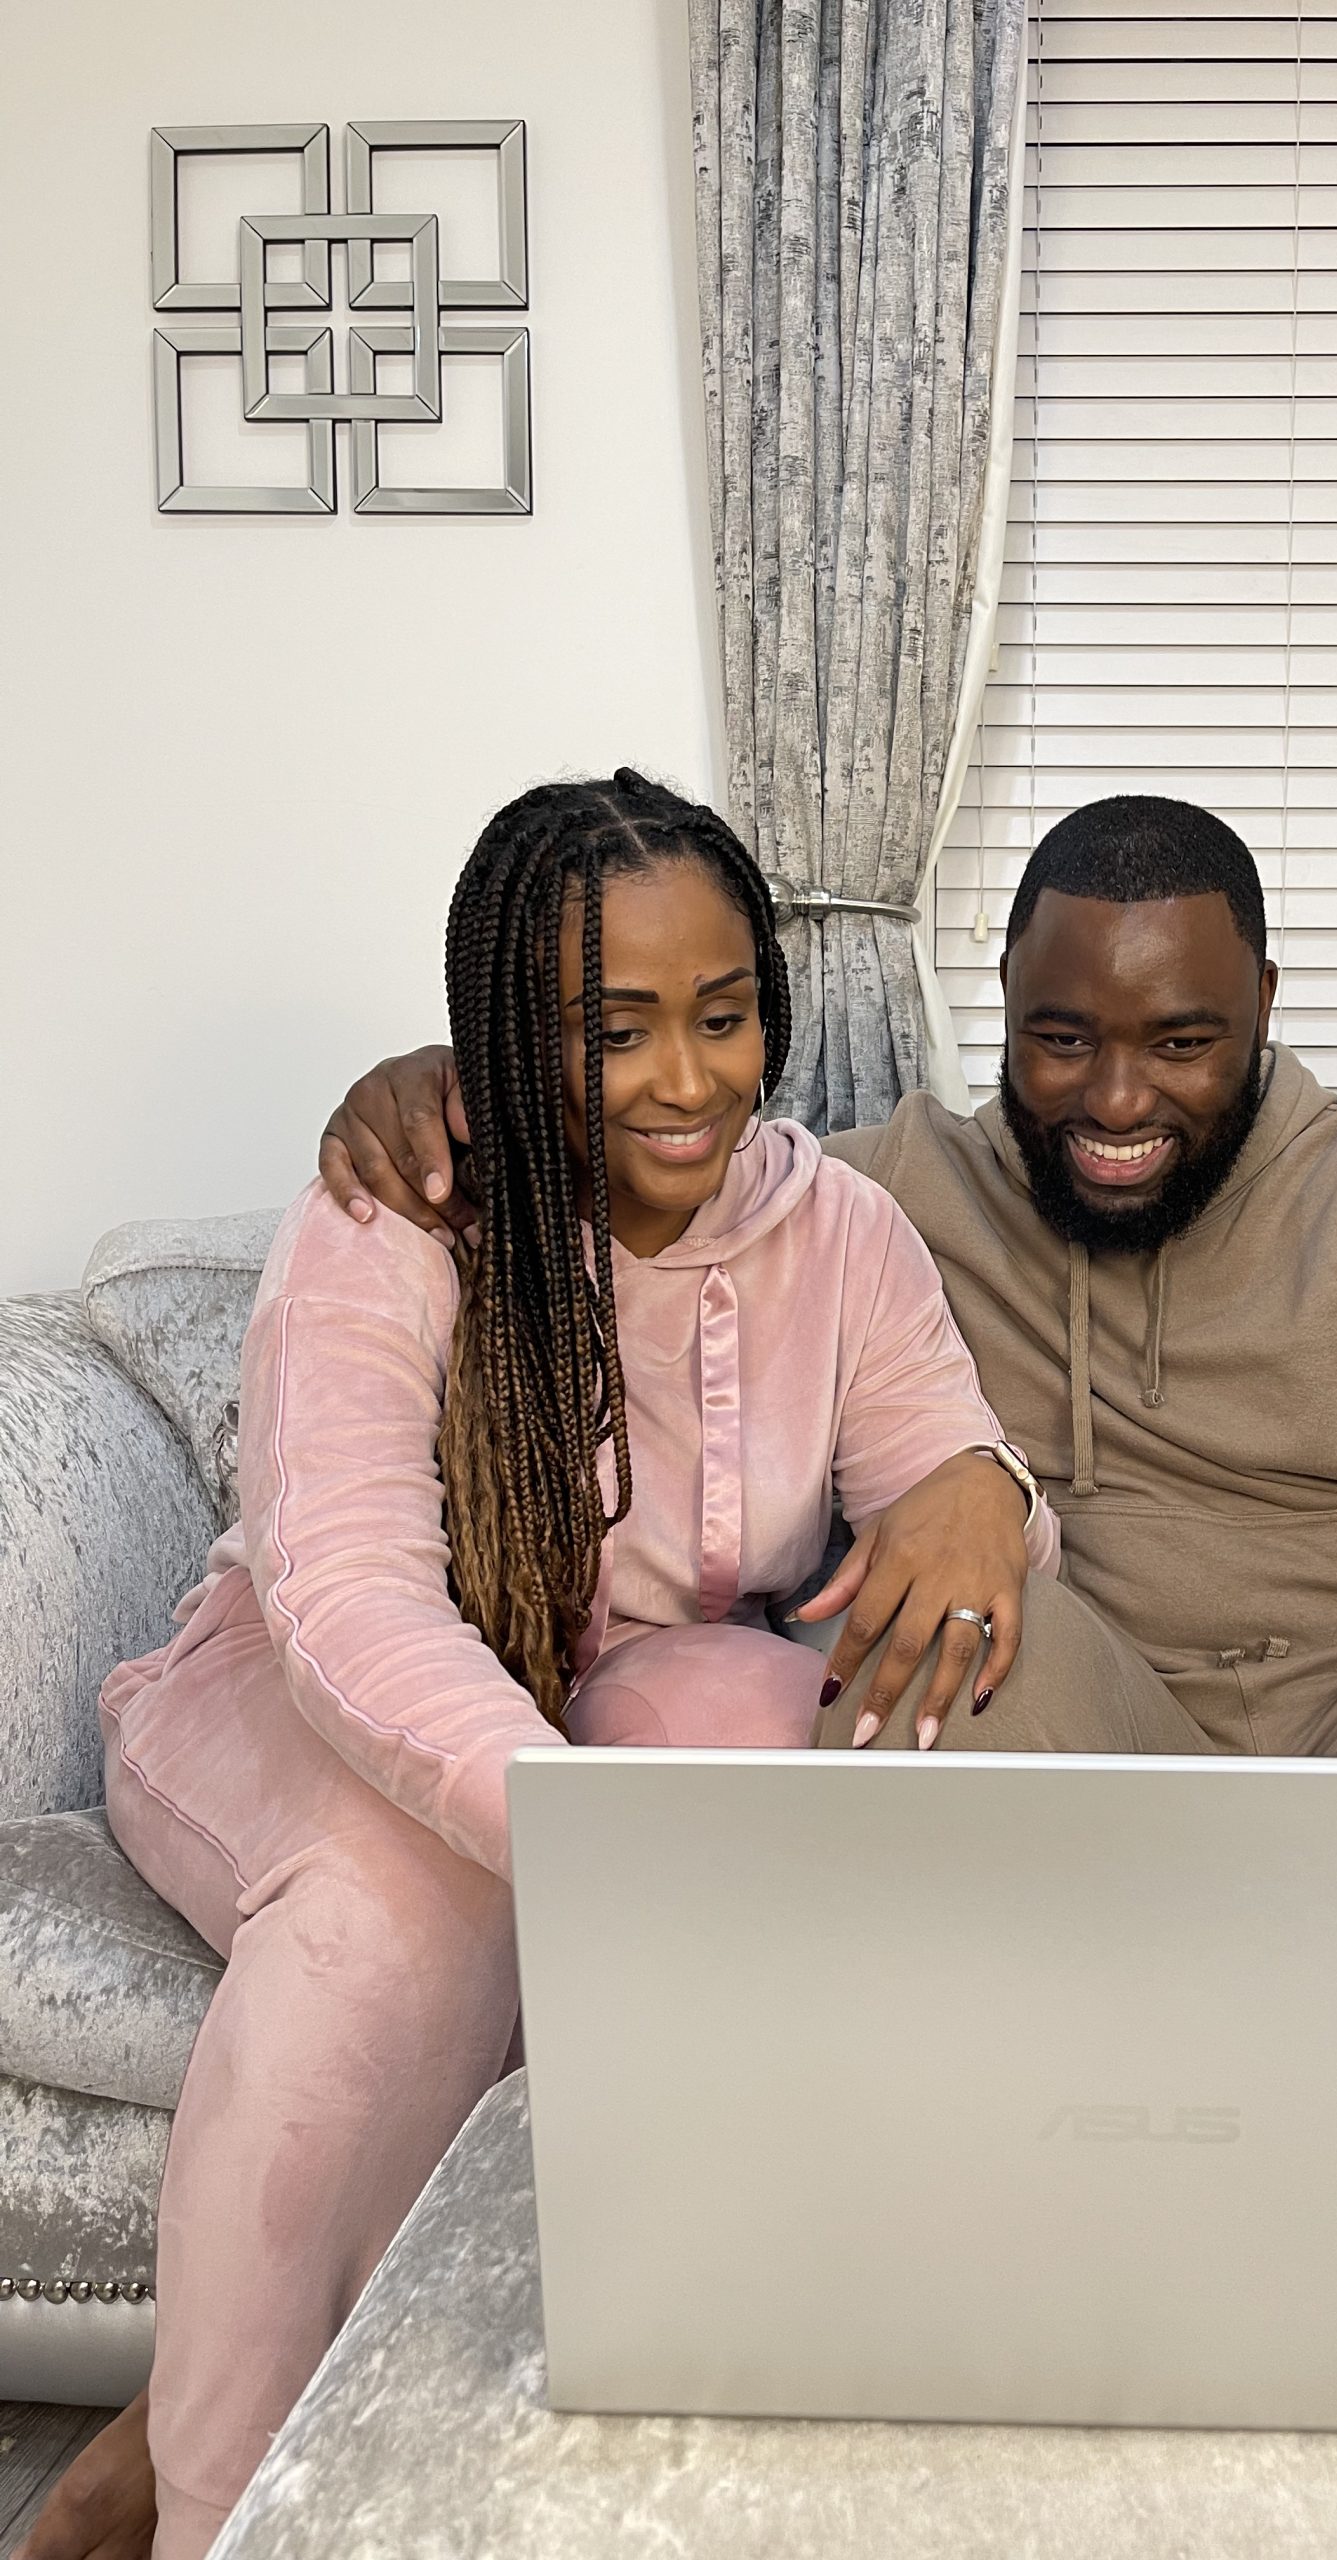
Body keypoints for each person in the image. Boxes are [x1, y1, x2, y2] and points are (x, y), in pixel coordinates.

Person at [319, 793, 1337, 2188]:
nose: (1116, 1101)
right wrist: (457, 1093)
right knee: (930, 1656)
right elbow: (651, 1139)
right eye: (1063, 1041)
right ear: (1004, 999)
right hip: (1079, 1725)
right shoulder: (878, 1194)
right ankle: (983, 2258)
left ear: (1265, 1006)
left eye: (1182, 1043)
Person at [27, 773, 1055, 2560]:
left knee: (769, 1739)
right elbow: (343, 1599)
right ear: (512, 1035)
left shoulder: (843, 1235)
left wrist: (986, 1492)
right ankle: (216, 2508)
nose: (688, 1078)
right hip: (283, 1685)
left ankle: (664, 2458)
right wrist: (589, 1843)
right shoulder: (394, 1219)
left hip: (622, 1682)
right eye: (618, 1029)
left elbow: (946, 1509)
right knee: (398, 1909)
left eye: (725, 1017)